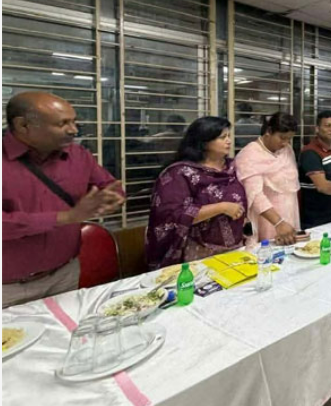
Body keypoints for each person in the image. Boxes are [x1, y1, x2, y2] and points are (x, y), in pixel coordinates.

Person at [3, 92, 124, 307]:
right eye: (62, 124)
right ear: (23, 125)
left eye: (74, 122)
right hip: (7, 287)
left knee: (67, 326)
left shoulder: (78, 155)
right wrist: (66, 217)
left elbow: (108, 185)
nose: (73, 130)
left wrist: (111, 199)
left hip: (64, 274)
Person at [146, 117, 247, 269]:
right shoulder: (180, 173)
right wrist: (221, 208)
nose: (229, 141)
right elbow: (172, 215)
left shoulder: (233, 167)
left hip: (236, 247)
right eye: (222, 137)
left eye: (229, 136)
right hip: (198, 252)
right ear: (204, 142)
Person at [235, 112, 300, 247]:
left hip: (290, 213)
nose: (285, 143)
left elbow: (291, 186)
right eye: (282, 138)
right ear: (269, 131)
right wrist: (278, 222)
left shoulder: (287, 150)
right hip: (268, 219)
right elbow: (255, 195)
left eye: (289, 139)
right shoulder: (249, 155)